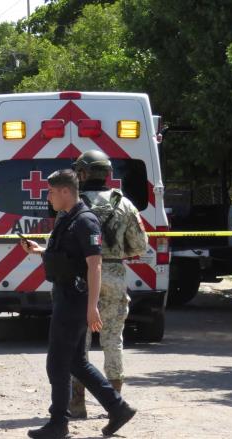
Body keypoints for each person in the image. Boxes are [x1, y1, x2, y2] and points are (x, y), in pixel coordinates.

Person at [20, 169, 136, 439]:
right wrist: (39, 250)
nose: (48, 197)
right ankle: (118, 408)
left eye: (50, 192)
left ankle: (58, 423)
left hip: (75, 299)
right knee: (76, 362)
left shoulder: (85, 221)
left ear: (64, 191)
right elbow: (66, 255)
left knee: (57, 363)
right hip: (65, 294)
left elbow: (94, 265)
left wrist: (92, 306)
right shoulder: (67, 218)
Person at [69, 150, 149, 417]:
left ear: (83, 173)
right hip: (113, 275)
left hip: (80, 278)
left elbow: (62, 244)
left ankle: (77, 403)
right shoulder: (124, 204)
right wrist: (115, 254)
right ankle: (114, 403)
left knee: (79, 341)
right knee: (113, 339)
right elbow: (140, 244)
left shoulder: (73, 204)